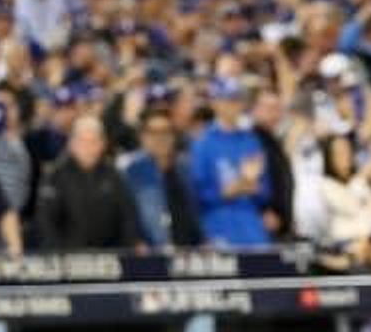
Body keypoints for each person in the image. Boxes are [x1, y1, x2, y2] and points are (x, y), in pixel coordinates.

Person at [189, 76, 277, 247]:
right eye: (228, 99)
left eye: (237, 99)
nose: (234, 105)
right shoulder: (203, 143)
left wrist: (249, 187)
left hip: (251, 225)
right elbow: (199, 194)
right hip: (217, 225)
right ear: (215, 103)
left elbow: (265, 189)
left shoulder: (250, 140)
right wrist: (235, 188)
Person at [33, 116, 143, 250]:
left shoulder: (114, 175)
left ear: (103, 143)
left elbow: (128, 217)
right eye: (82, 141)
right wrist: (59, 253)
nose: (88, 147)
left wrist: (127, 249)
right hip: (67, 257)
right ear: (71, 143)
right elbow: (45, 222)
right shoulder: (55, 176)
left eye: (93, 141)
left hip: (109, 255)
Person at [119, 108, 202, 247]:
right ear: (143, 137)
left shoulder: (185, 169)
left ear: (173, 136)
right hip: (151, 253)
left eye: (166, 132)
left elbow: (196, 212)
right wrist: (135, 242)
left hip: (187, 253)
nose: (160, 138)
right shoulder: (131, 172)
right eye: (153, 133)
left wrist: (203, 241)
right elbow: (125, 216)